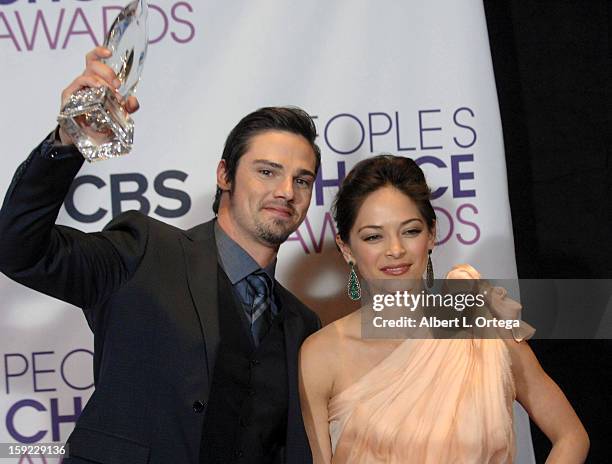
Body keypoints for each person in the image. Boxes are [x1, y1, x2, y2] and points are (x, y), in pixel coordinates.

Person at [0, 47, 321, 464]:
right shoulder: (143, 251)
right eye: (266, 171)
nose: (285, 191)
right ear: (224, 174)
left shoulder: (303, 324)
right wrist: (69, 138)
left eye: (302, 179)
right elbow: (17, 247)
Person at [298, 155, 589, 463]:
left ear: (432, 234)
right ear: (346, 249)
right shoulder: (321, 356)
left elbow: (570, 435)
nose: (395, 249)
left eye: (410, 231)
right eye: (373, 236)